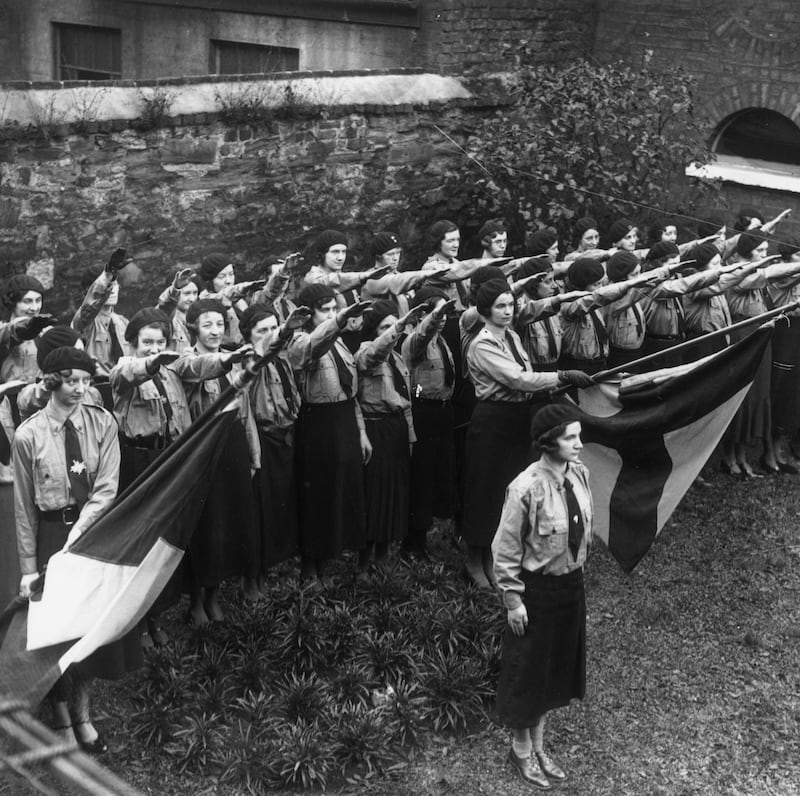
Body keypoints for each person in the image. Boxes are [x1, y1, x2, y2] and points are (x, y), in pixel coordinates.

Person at [13, 346, 141, 753]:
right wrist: (29, 567)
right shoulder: (28, 434)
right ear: (51, 382)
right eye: (72, 382)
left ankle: (83, 715)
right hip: (52, 536)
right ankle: (62, 718)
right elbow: (23, 508)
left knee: (87, 630)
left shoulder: (102, 423)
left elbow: (106, 487)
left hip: (92, 537)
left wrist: (80, 534)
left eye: (87, 381)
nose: (82, 390)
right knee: (56, 634)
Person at [460, 279, 592, 590]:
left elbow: (528, 374)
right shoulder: (482, 344)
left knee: (509, 489)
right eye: (500, 306)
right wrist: (559, 376)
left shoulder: (512, 337)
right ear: (485, 310)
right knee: (486, 490)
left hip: (517, 418)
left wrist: (557, 383)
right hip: (492, 419)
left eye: (510, 305)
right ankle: (474, 560)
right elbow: (516, 379)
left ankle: (496, 557)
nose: (507, 311)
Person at [492, 403, 592, 790]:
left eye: (579, 435)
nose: (579, 445)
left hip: (570, 586)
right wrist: (513, 601)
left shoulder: (578, 475)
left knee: (553, 671)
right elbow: (505, 550)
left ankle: (538, 746)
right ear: (549, 442)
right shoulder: (525, 487)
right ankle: (520, 750)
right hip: (537, 592)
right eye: (571, 438)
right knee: (529, 672)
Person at [174, 299, 260, 618]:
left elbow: (244, 408)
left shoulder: (234, 360)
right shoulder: (187, 361)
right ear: (193, 326)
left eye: (220, 324)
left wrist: (252, 451)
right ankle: (196, 599)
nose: (214, 330)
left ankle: (215, 594)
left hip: (233, 444)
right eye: (207, 324)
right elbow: (196, 374)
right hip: (203, 447)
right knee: (204, 523)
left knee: (229, 519)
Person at [288, 284, 372, 589]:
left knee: (342, 491)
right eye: (325, 309)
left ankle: (330, 557)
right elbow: (310, 349)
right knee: (317, 495)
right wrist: (336, 323)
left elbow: (351, 393)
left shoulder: (340, 343)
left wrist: (361, 431)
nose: (332, 314)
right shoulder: (300, 340)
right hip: (317, 424)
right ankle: (311, 570)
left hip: (344, 421)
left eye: (333, 308)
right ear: (309, 314)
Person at [355, 300, 426, 576]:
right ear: (374, 330)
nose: (392, 334)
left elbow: (405, 399)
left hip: (396, 430)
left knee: (394, 496)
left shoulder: (397, 358)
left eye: (394, 326)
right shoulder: (366, 352)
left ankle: (382, 557)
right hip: (375, 430)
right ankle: (363, 562)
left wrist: (410, 436)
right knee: (374, 496)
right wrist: (396, 328)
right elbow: (376, 351)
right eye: (385, 327)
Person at [240, 303, 310, 582]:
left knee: (285, 501)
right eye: (262, 330)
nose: (270, 335)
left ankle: (276, 562)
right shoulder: (250, 360)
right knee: (260, 508)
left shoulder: (283, 358)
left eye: (274, 327)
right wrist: (281, 333)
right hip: (262, 438)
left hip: (287, 434)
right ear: (249, 336)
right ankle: (253, 576)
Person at [401, 289, 458, 559]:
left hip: (442, 413)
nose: (443, 318)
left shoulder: (441, 341)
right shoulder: (415, 341)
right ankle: (414, 542)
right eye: (437, 313)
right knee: (422, 476)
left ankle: (426, 532)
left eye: (445, 312)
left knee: (438, 472)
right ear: (421, 315)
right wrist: (433, 318)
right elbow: (423, 333)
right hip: (423, 411)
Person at [70, 248, 129, 378]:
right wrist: (108, 276)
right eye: (108, 285)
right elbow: (90, 307)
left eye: (115, 284)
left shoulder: (123, 322)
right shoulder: (84, 321)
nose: (112, 289)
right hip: (96, 386)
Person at [0, 274, 52, 384]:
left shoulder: (47, 332)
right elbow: (9, 333)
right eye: (27, 301)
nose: (34, 308)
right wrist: (23, 329)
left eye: (38, 300)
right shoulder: (4, 330)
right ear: (12, 303)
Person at [156, 267, 200, 352]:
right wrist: (175, 289)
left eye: (195, 293)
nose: (192, 299)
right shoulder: (168, 318)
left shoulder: (201, 318)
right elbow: (165, 306)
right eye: (187, 293)